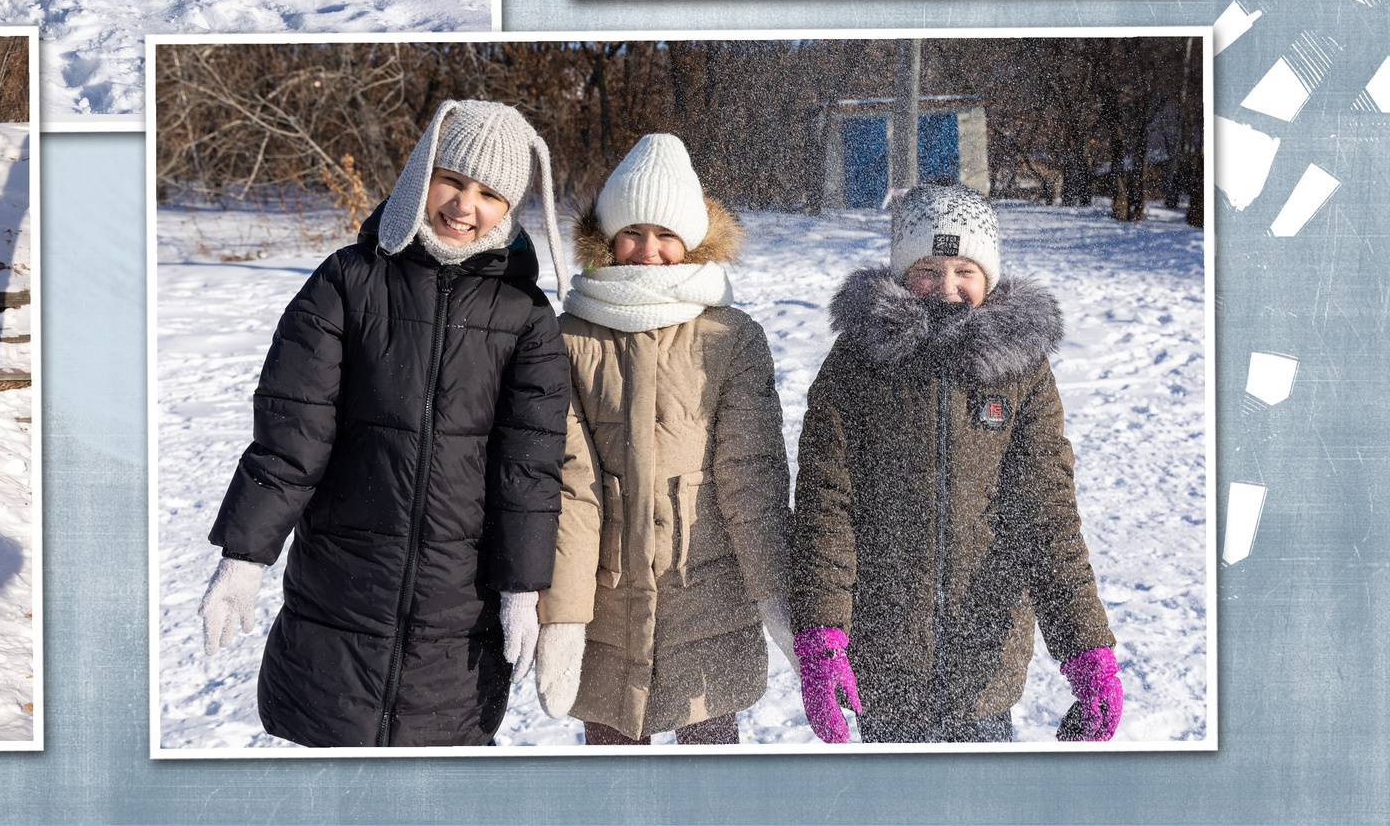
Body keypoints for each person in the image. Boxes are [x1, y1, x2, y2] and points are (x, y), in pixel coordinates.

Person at [198, 100, 573, 747]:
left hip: (457, 619)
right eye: (451, 180)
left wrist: (523, 585)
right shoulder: (348, 282)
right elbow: (292, 438)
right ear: (421, 173)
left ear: (510, 208)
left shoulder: (526, 317)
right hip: (340, 595)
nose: (464, 206)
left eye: (488, 193)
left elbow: (529, 469)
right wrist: (244, 555)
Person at [791, 185, 1120, 745]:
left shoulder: (1020, 371)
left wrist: (1087, 649)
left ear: (988, 277)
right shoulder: (857, 364)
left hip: (983, 667)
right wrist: (822, 632)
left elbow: (1047, 515)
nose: (947, 289)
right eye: (928, 269)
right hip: (884, 657)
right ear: (901, 275)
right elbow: (827, 506)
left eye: (965, 269)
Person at [538, 135, 794, 746]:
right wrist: (567, 616)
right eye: (631, 232)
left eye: (666, 234)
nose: (648, 251)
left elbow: (751, 476)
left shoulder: (729, 335)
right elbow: (570, 485)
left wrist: (779, 598)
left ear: (693, 241)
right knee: (613, 777)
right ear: (607, 238)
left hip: (707, 596)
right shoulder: (568, 337)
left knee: (711, 780)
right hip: (604, 599)